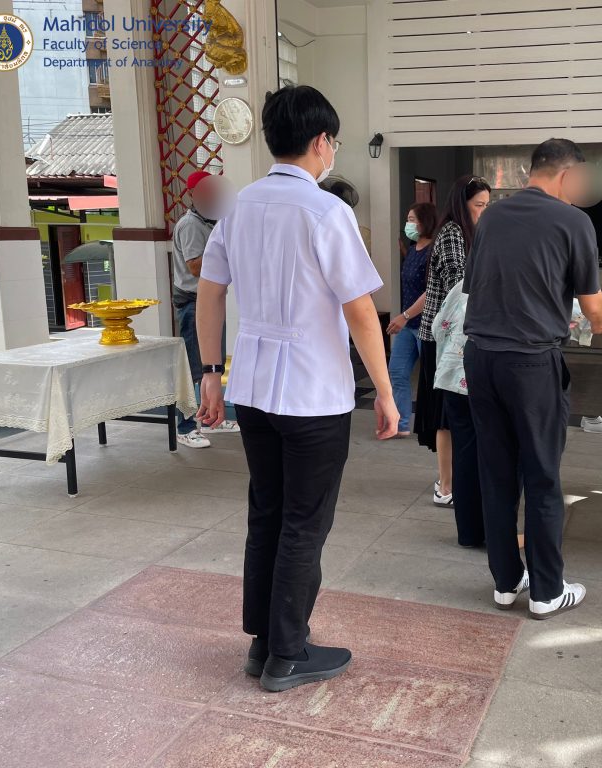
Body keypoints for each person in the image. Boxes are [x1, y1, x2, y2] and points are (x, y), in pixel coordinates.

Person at [195, 85, 399, 693]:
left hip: (254, 390)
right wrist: (386, 392)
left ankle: (263, 642)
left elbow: (210, 291)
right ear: (321, 141)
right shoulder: (325, 211)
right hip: (312, 394)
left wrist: (211, 372)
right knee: (305, 523)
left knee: (268, 512)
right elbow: (360, 310)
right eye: (333, 142)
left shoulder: (239, 206)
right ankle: (288, 652)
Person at [462, 138, 602, 619]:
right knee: (542, 477)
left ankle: (505, 582)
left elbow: (476, 288)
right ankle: (546, 591)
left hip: (481, 358)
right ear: (568, 175)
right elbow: (597, 318)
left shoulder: (493, 216)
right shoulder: (573, 221)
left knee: (496, 474)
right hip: (530, 364)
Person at [434, 285, 602, 550]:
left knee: (465, 456)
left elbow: (439, 326)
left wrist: (451, 359)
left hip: (455, 375)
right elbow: (599, 317)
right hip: (499, 380)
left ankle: (470, 533)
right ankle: (497, 538)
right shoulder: (535, 285)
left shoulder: (468, 282)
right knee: (506, 461)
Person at [414, 175, 491, 506]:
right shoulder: (451, 232)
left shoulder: (469, 232)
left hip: (459, 336)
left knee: (457, 412)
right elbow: (458, 284)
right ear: (462, 203)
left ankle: (455, 479)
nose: (484, 211)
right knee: (448, 415)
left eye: (487, 205)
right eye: (479, 205)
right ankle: (446, 487)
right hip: (442, 337)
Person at [171, 169, 239, 448]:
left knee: (214, 364)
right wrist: (230, 255)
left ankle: (213, 419)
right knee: (193, 369)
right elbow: (195, 266)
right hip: (192, 304)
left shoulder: (212, 221)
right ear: (193, 195)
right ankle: (186, 427)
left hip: (208, 303)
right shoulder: (190, 225)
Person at [385, 202, 437, 436]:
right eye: (408, 219)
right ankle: (400, 423)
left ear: (426, 221)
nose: (408, 224)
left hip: (426, 324)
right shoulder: (414, 248)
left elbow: (431, 290)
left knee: (431, 378)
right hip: (408, 324)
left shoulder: (435, 250)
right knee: (397, 372)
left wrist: (404, 316)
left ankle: (435, 424)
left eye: (412, 219)